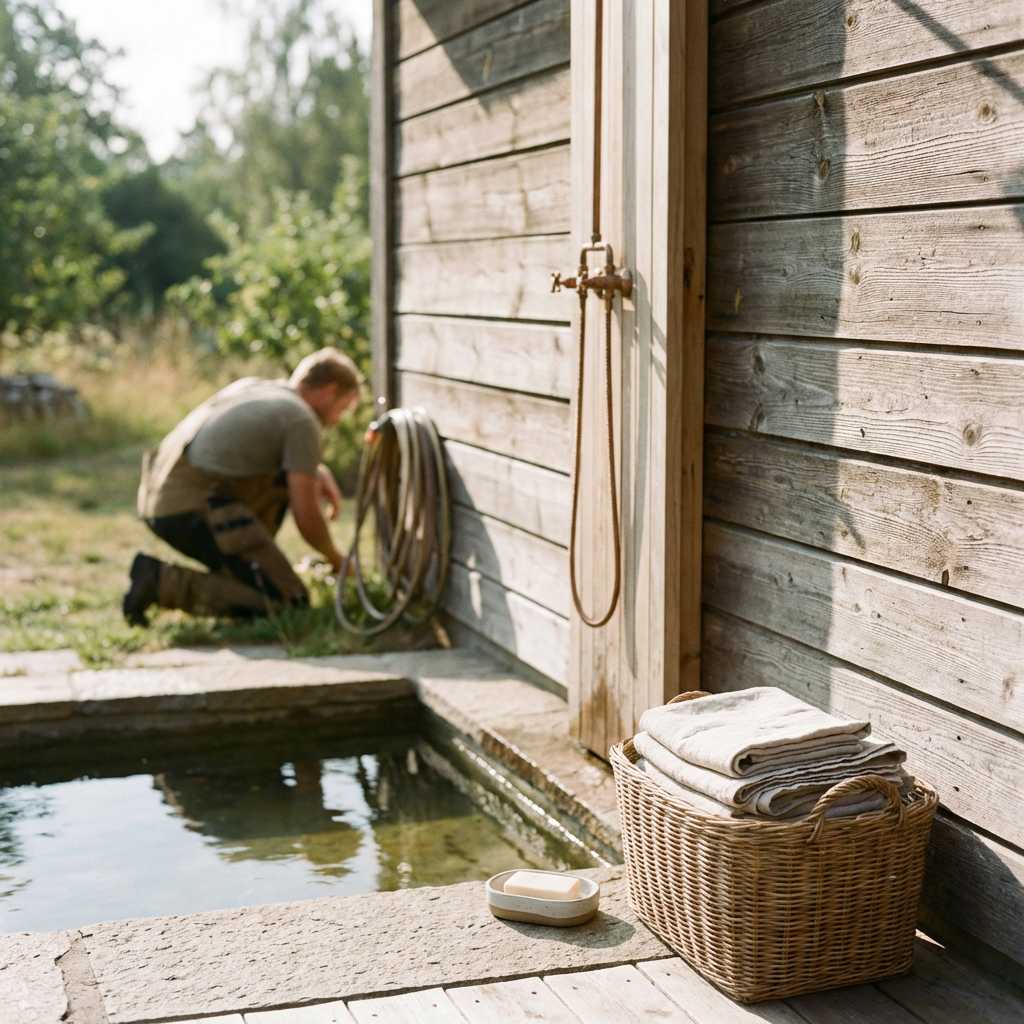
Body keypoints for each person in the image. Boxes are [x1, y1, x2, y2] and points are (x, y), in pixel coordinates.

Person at [122, 347, 361, 626]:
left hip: (157, 497)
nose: (337, 420)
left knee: (266, 578)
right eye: (342, 408)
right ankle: (160, 581)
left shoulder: (257, 388)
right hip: (190, 506)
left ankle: (242, 573)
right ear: (329, 391)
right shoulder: (301, 419)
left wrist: (314, 470)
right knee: (287, 600)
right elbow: (306, 517)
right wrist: (340, 561)